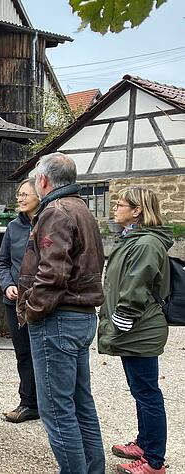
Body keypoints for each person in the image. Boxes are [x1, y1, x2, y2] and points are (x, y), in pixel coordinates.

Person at [16, 152, 106, 474]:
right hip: (79, 317)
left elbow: (52, 274)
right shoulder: (81, 208)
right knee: (80, 405)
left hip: (59, 320)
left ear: (43, 180)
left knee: (56, 410)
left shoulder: (56, 211)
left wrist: (31, 310)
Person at [98, 187, 172, 474]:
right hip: (135, 329)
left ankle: (154, 462)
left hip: (141, 329)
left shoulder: (146, 244)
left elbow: (137, 283)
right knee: (140, 390)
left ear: (137, 210)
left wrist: (125, 313)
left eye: (119, 204)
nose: (114, 209)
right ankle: (143, 443)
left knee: (148, 393)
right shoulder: (134, 239)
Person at [0, 178, 41, 423]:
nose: (20, 199)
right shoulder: (13, 226)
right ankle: (28, 403)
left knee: (43, 355)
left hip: (42, 302)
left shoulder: (49, 224)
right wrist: (7, 284)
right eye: (19, 195)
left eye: (25, 194)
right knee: (23, 354)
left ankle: (50, 405)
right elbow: (1, 262)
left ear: (39, 195)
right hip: (15, 303)